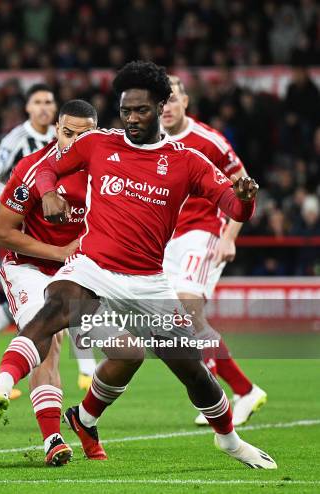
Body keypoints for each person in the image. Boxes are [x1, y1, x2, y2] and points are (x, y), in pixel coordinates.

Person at [0, 61, 277, 469]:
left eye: (141, 110)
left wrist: (244, 197)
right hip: (92, 266)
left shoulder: (187, 160)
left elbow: (232, 206)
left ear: (161, 106)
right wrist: (49, 193)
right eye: (125, 111)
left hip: (149, 283)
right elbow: (49, 164)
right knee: (54, 309)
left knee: (192, 371)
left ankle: (228, 440)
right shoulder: (99, 143)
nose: (132, 119)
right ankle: (0, 384)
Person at [0, 84, 96, 394]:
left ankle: (84, 373)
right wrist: (21, 201)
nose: (43, 107)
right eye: (37, 102)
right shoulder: (19, 141)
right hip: (29, 240)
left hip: (70, 253)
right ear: (29, 109)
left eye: (48, 101)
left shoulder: (95, 157)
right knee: (42, 321)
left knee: (59, 318)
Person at [0, 99, 98, 466]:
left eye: (83, 136)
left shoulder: (109, 173)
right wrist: (60, 252)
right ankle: (52, 437)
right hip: (30, 267)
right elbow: (0, 233)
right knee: (48, 339)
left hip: (81, 271)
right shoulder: (31, 170)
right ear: (57, 130)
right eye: (67, 133)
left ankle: (84, 419)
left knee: (128, 348)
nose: (73, 142)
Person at [161, 75, 267, 426]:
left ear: (186, 101)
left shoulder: (209, 140)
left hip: (204, 231)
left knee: (188, 305)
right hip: (164, 241)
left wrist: (230, 236)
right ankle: (243, 389)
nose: (166, 107)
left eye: (172, 98)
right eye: (161, 100)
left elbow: (244, 185)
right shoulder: (149, 141)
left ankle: (218, 395)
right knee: (179, 320)